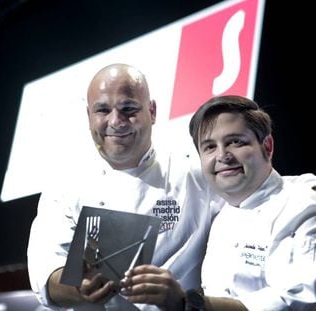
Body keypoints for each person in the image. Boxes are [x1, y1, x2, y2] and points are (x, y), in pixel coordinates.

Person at [26, 63, 223, 310]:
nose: (116, 121)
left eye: (128, 108)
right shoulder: (64, 188)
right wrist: (78, 287)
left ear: (152, 111)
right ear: (89, 116)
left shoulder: (197, 174)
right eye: (103, 110)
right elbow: (46, 273)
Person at [120, 95, 316, 310]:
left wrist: (189, 304)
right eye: (210, 147)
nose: (223, 156)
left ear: (267, 147)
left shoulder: (302, 205)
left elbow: (299, 299)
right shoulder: (220, 213)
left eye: (235, 142)